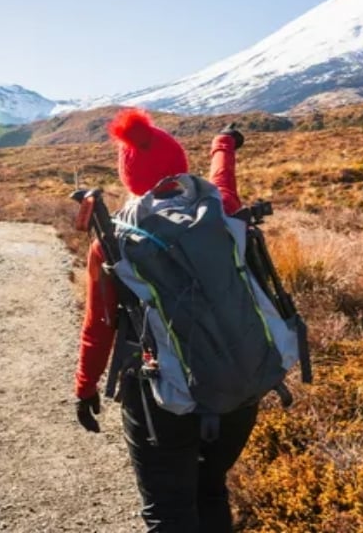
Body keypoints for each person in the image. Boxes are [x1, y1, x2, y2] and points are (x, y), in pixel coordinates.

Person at [74, 108, 254, 533]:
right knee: (210, 490)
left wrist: (85, 386)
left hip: (157, 396)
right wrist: (223, 142)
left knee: (168, 512)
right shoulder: (221, 209)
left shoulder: (114, 242)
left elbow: (99, 326)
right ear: (180, 164)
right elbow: (223, 176)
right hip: (235, 382)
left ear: (129, 178)